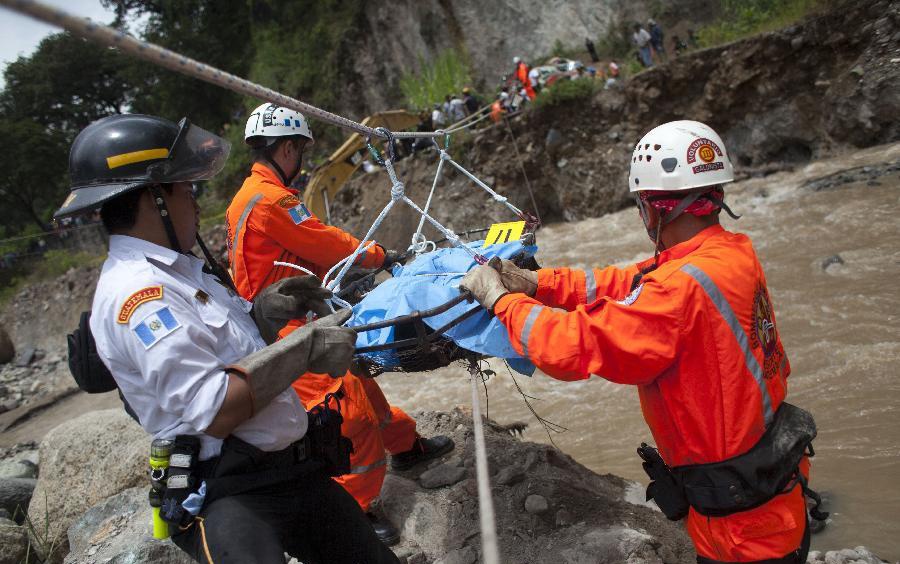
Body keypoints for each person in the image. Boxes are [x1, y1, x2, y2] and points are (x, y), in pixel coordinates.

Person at [461, 120, 825, 563]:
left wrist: (501, 301)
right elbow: (626, 282)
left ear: (654, 210)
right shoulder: (727, 252)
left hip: (740, 524)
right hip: (767, 488)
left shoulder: (678, 290)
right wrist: (540, 283)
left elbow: (568, 347)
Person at [58, 113, 399, 563]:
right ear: (153, 198)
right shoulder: (142, 296)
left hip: (288, 472)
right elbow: (215, 407)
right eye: (186, 189)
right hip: (227, 492)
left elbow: (226, 352)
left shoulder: (181, 272)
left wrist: (263, 316)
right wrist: (305, 349)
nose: (196, 204)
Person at [226, 104, 454, 545]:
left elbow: (291, 251)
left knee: (361, 383)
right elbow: (322, 241)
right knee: (345, 410)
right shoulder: (272, 200)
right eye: (301, 152)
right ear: (288, 148)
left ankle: (406, 445)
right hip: (287, 326)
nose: (304, 161)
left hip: (289, 312)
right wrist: (381, 256)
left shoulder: (247, 197)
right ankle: (356, 506)